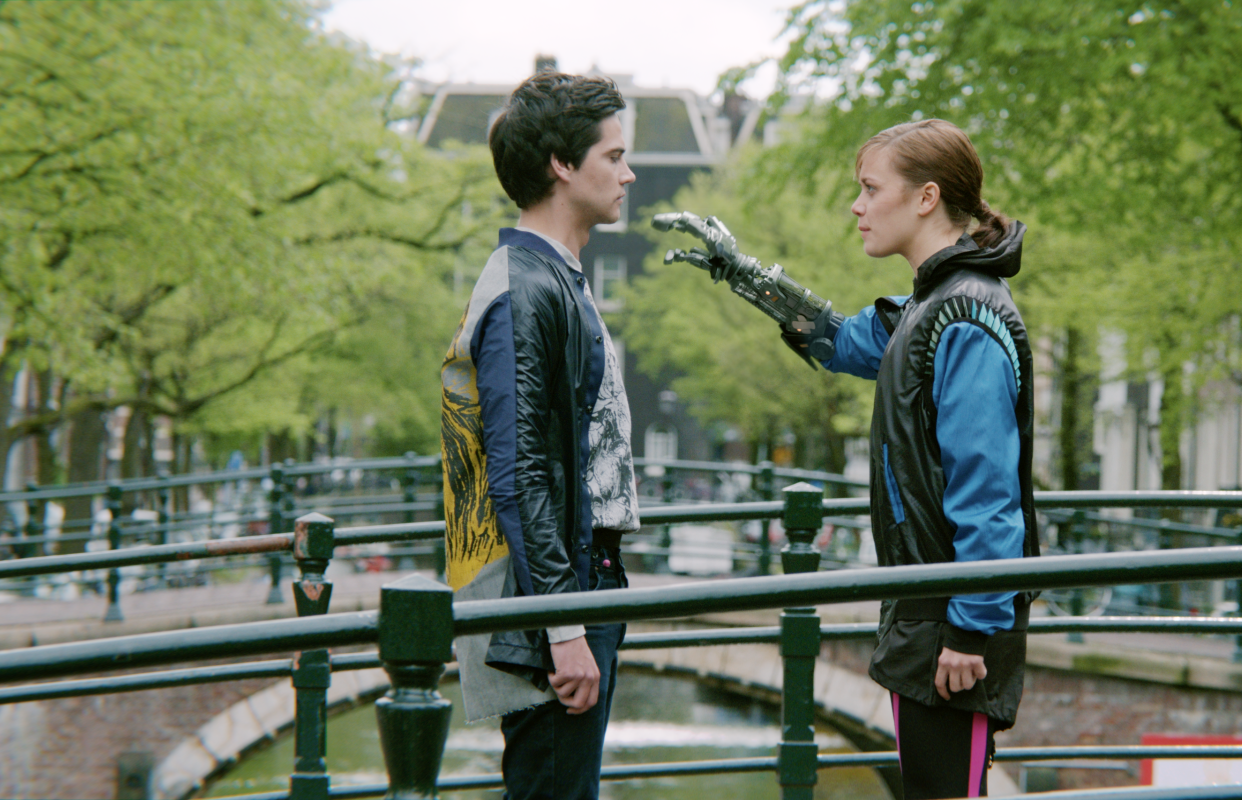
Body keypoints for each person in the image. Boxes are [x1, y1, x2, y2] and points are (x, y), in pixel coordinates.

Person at [658, 119, 1036, 799]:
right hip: (926, 609)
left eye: (870, 189)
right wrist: (744, 275)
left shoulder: (964, 318)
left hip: (949, 620)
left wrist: (972, 629)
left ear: (925, 197)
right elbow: (840, 340)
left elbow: (987, 489)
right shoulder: (931, 304)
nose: (856, 206)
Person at [440, 71, 640, 800]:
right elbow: (520, 468)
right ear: (562, 164)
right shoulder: (525, 290)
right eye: (613, 156)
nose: (628, 173)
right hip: (556, 597)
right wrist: (561, 625)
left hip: (574, 582)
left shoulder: (550, 277)